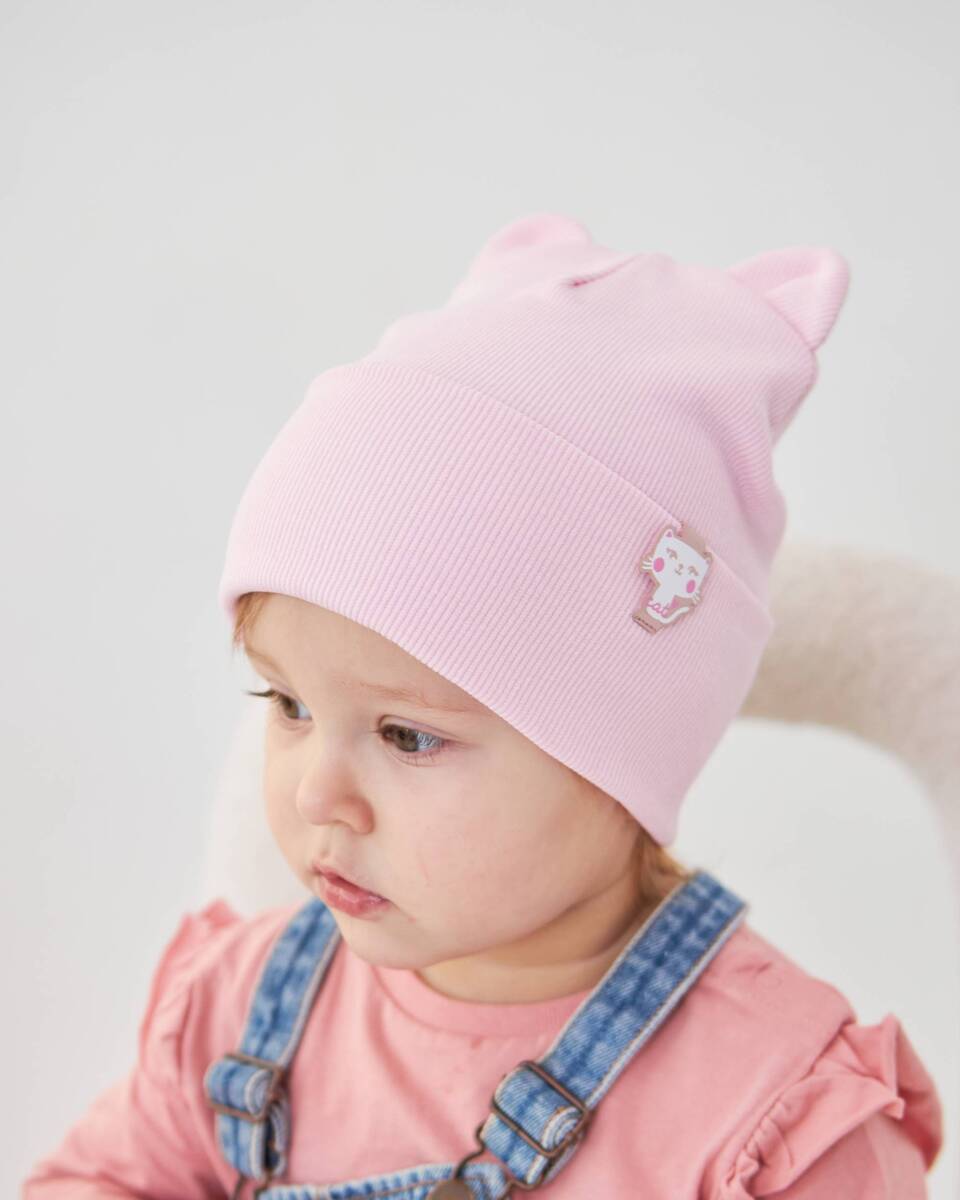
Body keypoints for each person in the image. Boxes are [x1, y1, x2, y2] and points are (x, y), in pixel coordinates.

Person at [22, 212, 944, 1198]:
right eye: (287, 702)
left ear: (618, 763)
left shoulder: (779, 1125)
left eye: (407, 736)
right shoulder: (239, 1014)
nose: (314, 795)